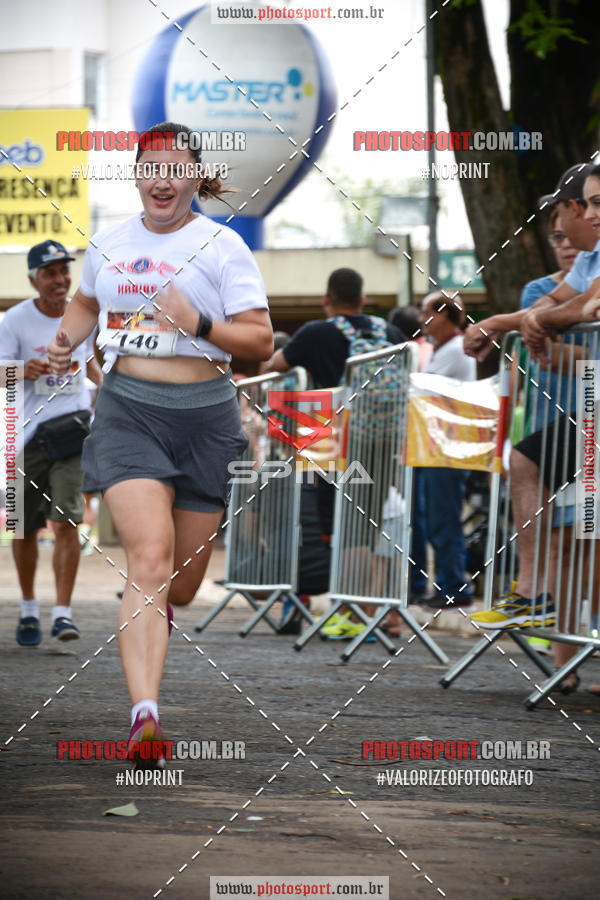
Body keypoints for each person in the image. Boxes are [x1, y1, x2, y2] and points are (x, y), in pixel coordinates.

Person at [47, 122, 273, 767]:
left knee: (179, 586)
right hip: (128, 412)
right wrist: (68, 339)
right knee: (147, 557)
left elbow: (262, 344)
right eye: (150, 167)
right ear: (138, 175)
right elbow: (86, 305)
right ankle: (144, 713)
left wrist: (196, 321)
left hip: (206, 419)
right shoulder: (110, 242)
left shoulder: (222, 247)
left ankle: (153, 664)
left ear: (195, 175)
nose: (161, 179)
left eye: (175, 167)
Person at [470, 164, 600, 693]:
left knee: (587, 542)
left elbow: (582, 308)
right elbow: (560, 308)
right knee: (529, 466)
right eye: (585, 203)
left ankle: (553, 626)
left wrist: (540, 321)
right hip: (582, 415)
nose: (583, 217)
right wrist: (509, 322)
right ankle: (535, 598)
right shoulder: (585, 259)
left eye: (591, 205)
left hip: (588, 412)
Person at [263, 268, 406, 639]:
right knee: (370, 524)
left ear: (327, 299)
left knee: (341, 528)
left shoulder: (316, 333)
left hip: (329, 442)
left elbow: (274, 367)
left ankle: (352, 615)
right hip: (384, 439)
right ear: (362, 299)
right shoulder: (388, 332)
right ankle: (371, 611)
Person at [0, 240, 102, 647]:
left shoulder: (86, 315)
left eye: (65, 270)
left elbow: (94, 366)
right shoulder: (14, 320)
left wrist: (116, 394)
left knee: (67, 521)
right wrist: (24, 370)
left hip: (73, 431)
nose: (61, 279)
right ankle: (28, 609)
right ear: (33, 279)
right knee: (22, 527)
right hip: (24, 435)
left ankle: (62, 613)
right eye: (50, 273)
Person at [413, 291, 477, 610]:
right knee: (439, 516)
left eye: (427, 312)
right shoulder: (444, 348)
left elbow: (422, 391)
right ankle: (448, 582)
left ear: (443, 316)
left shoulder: (454, 349)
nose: (421, 318)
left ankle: (454, 584)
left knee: (444, 516)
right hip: (437, 445)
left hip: (447, 447)